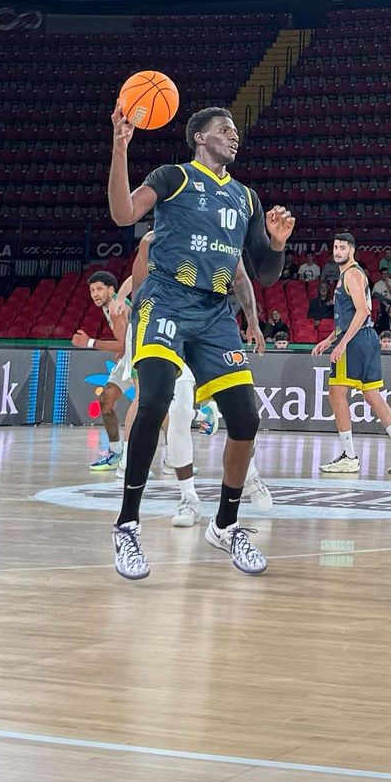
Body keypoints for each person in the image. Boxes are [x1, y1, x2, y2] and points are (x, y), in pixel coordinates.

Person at [106, 104, 294, 580]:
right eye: (223, 130)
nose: (233, 137)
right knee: (155, 401)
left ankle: (226, 525)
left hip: (214, 313)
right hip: (166, 299)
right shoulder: (174, 177)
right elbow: (123, 211)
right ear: (199, 138)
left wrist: (275, 243)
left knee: (246, 417)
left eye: (234, 131)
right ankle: (127, 524)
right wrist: (120, 146)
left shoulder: (246, 199)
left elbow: (261, 274)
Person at [122, 231, 275, 529]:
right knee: (176, 413)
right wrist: (135, 322)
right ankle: (188, 497)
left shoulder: (220, 231)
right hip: (167, 325)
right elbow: (139, 287)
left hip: (209, 327)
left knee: (241, 414)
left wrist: (253, 323)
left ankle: (251, 473)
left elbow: (241, 276)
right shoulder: (152, 241)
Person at [311, 233, 391, 476]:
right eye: (335, 246)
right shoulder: (347, 275)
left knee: (336, 393)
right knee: (372, 395)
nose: (337, 251)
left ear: (353, 250)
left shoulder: (352, 274)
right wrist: (329, 339)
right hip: (365, 338)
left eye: (343, 247)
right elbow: (350, 316)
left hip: (356, 340)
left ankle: (349, 456)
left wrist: (341, 344)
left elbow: (363, 311)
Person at [76, 270, 134, 471]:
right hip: (128, 357)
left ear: (111, 289)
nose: (95, 294)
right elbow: (125, 342)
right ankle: (116, 452)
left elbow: (124, 346)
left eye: (100, 289)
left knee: (153, 409)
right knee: (106, 401)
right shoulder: (108, 306)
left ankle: (201, 415)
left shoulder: (117, 309)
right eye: (92, 290)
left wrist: (89, 342)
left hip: (137, 359)